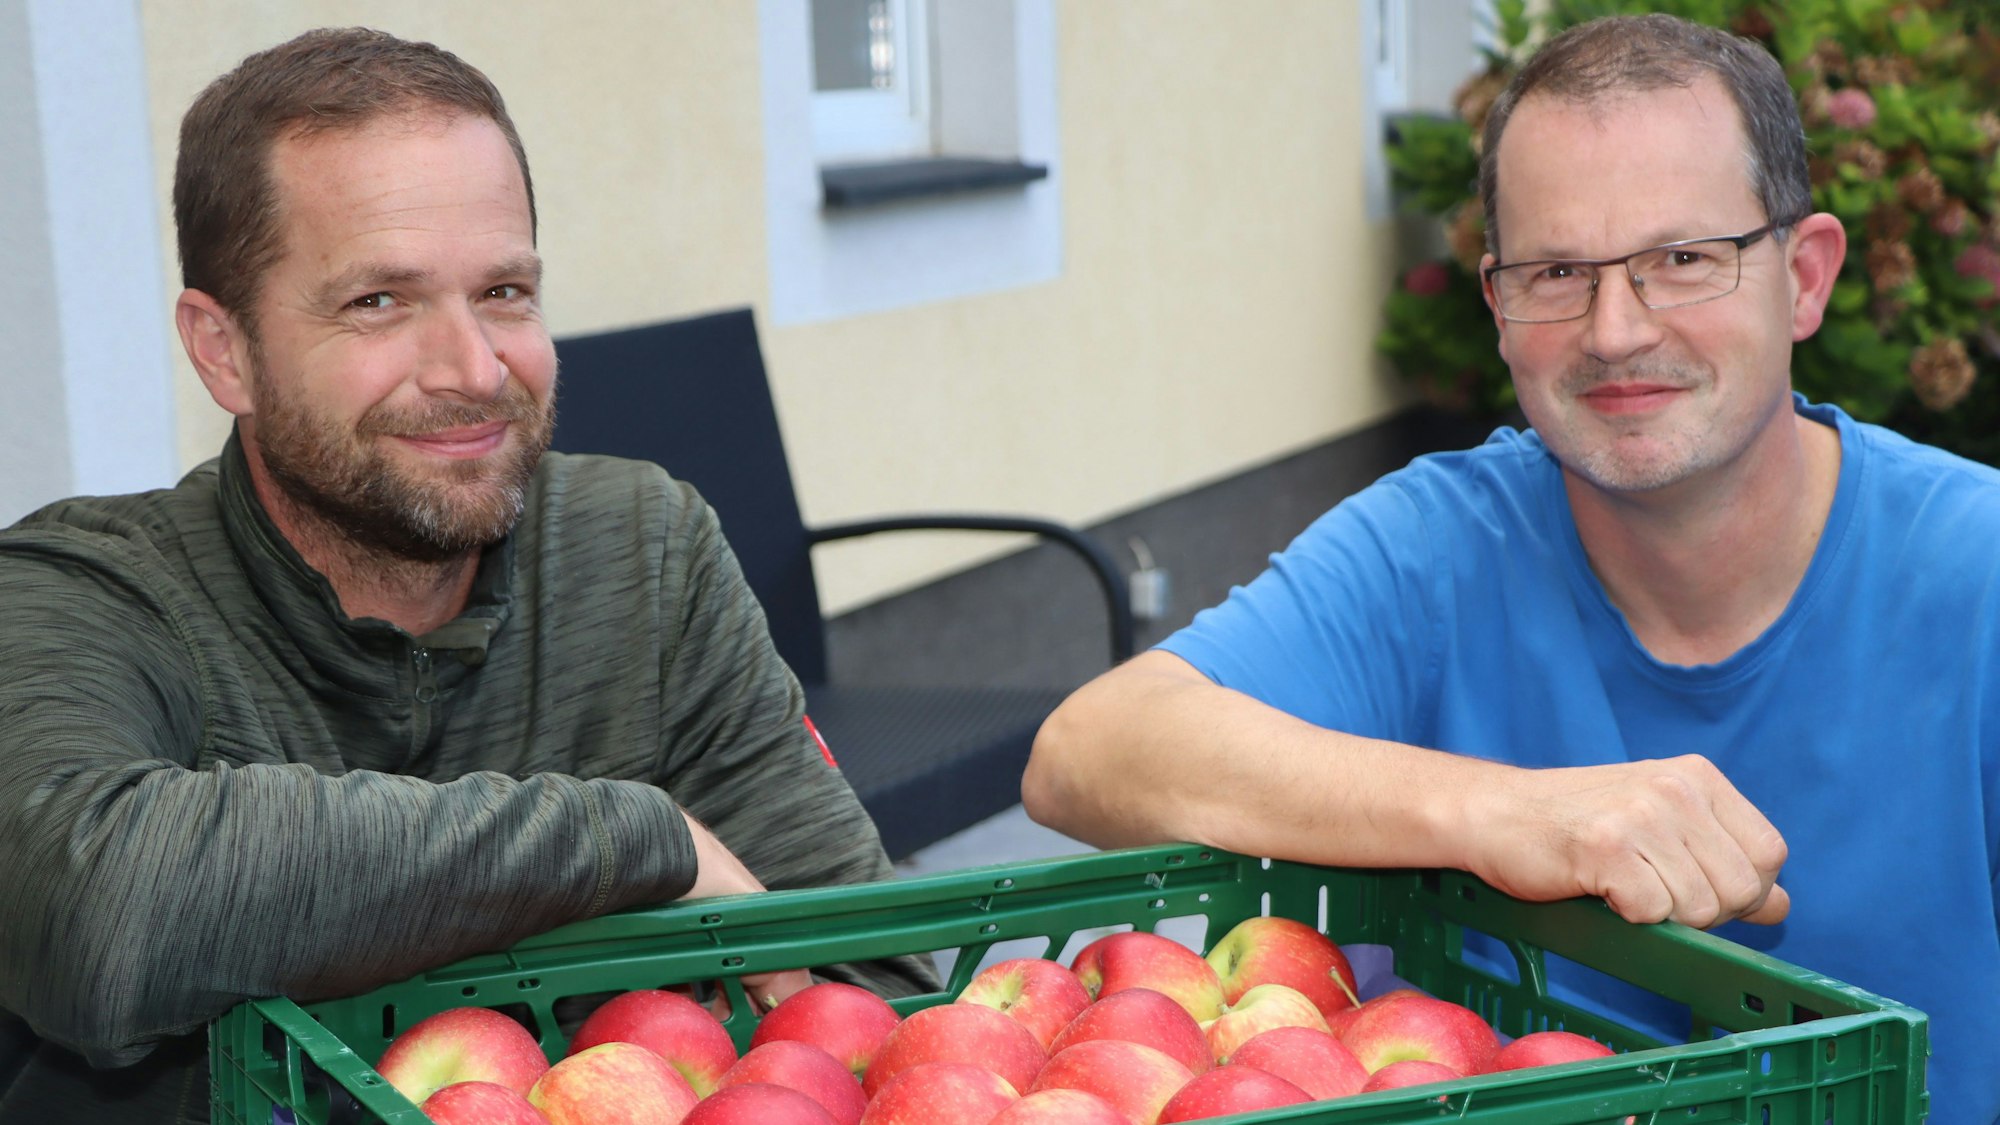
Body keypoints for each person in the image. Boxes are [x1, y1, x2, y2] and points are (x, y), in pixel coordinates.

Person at [1025, 13, 1997, 1119]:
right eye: (1555, 272)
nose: (1615, 329)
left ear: (1804, 276)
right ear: (1496, 307)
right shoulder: (1438, 549)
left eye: (1681, 260)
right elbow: (1085, 754)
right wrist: (1505, 814)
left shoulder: (1975, 578)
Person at [0, 27, 930, 1123]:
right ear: (224, 350)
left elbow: (868, 994)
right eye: (378, 303)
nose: (474, 370)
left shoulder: (641, 551)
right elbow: (100, 910)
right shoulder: (75, 595)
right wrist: (642, 841)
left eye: (501, 291)